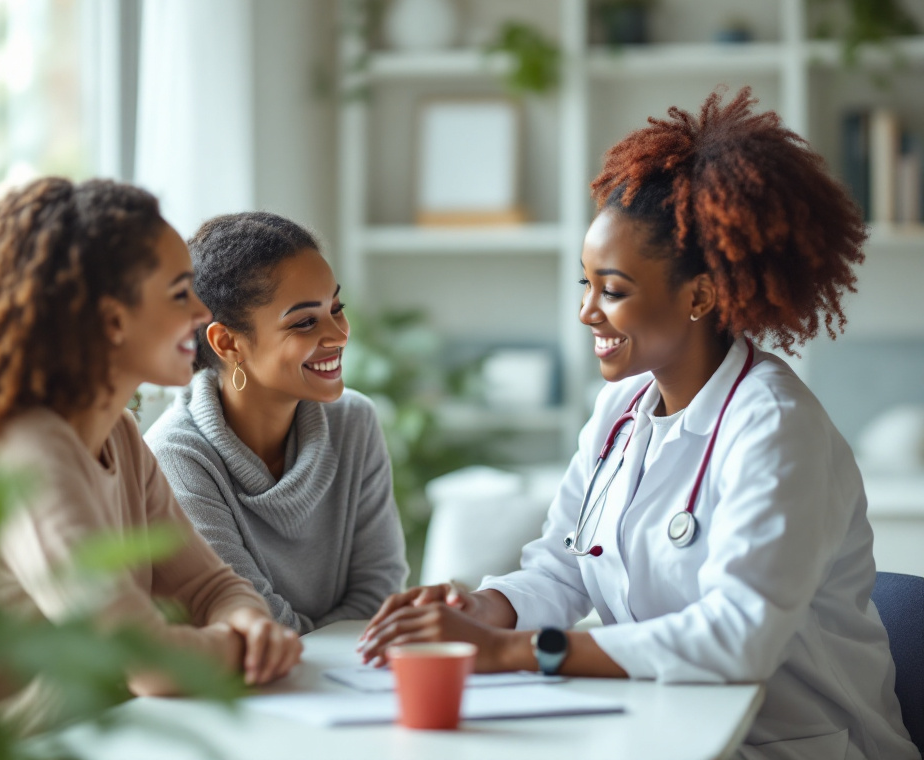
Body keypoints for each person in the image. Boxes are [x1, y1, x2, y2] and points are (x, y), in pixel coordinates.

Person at [358, 88, 917, 759]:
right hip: (664, 727)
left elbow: (735, 638)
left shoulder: (775, 428)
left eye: (614, 290)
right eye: (584, 284)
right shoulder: (620, 412)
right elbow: (563, 569)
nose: (587, 312)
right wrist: (479, 612)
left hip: (793, 746)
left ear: (700, 296)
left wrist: (511, 650)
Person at [0, 178, 302, 730]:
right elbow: (142, 661)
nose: (202, 309)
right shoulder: (27, 452)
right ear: (114, 320)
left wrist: (249, 624)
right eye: (179, 291)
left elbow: (209, 586)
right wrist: (243, 650)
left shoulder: (119, 435)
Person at [145, 212, 407, 634]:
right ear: (227, 342)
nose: (339, 334)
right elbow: (254, 624)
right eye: (305, 321)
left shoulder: (354, 422)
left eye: (335, 308)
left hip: (346, 682)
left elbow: (378, 596)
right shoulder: (175, 457)